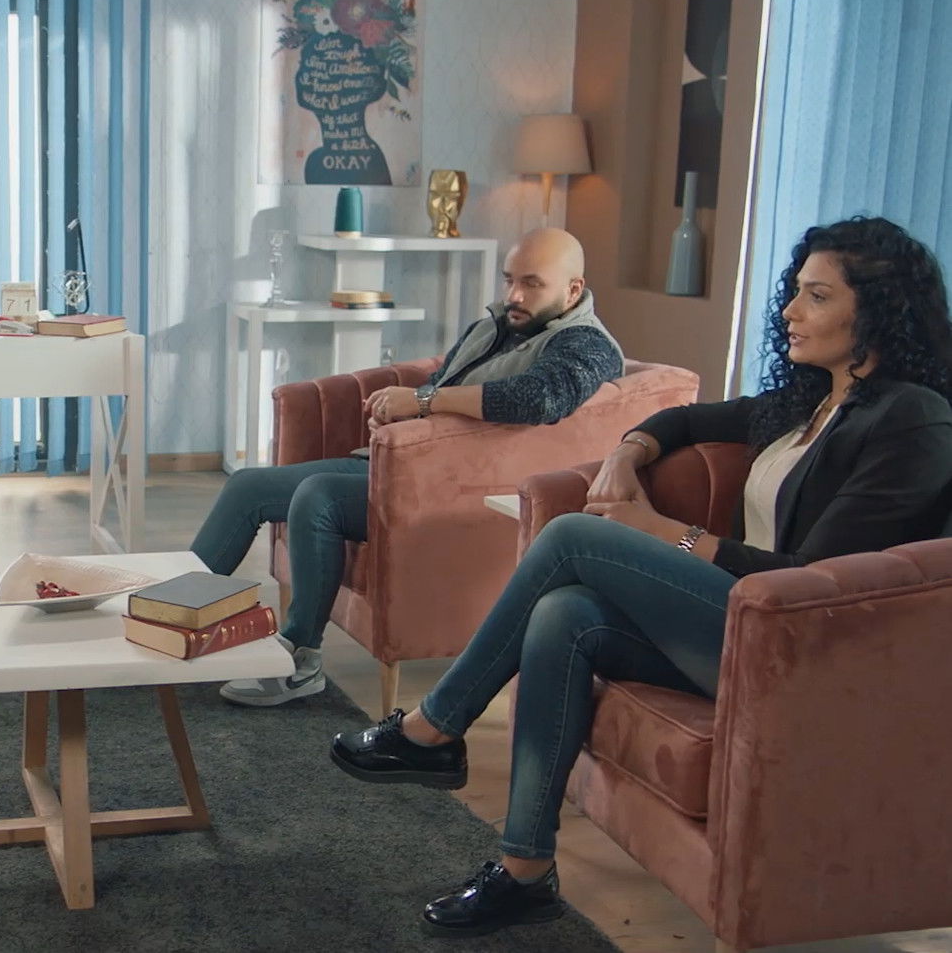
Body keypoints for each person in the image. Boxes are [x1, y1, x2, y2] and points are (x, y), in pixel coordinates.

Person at [329, 216, 952, 938]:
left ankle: (435, 727)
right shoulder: (811, 400)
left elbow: (814, 582)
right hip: (739, 624)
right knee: (564, 614)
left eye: (817, 296)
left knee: (571, 536)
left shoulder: (913, 421)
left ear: (878, 312)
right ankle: (524, 869)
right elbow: (681, 420)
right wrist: (627, 454)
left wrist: (663, 532)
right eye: (796, 291)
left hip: (802, 651)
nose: (789, 309)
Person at [192, 227, 624, 706]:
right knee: (248, 486)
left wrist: (422, 402)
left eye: (532, 283)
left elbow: (538, 398)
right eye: (509, 280)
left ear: (573, 289)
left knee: (319, 496)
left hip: (443, 490)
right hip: (399, 466)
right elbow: (441, 384)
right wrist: (401, 410)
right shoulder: (497, 324)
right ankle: (169, 620)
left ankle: (300, 660)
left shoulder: (587, 345)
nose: (514, 296)